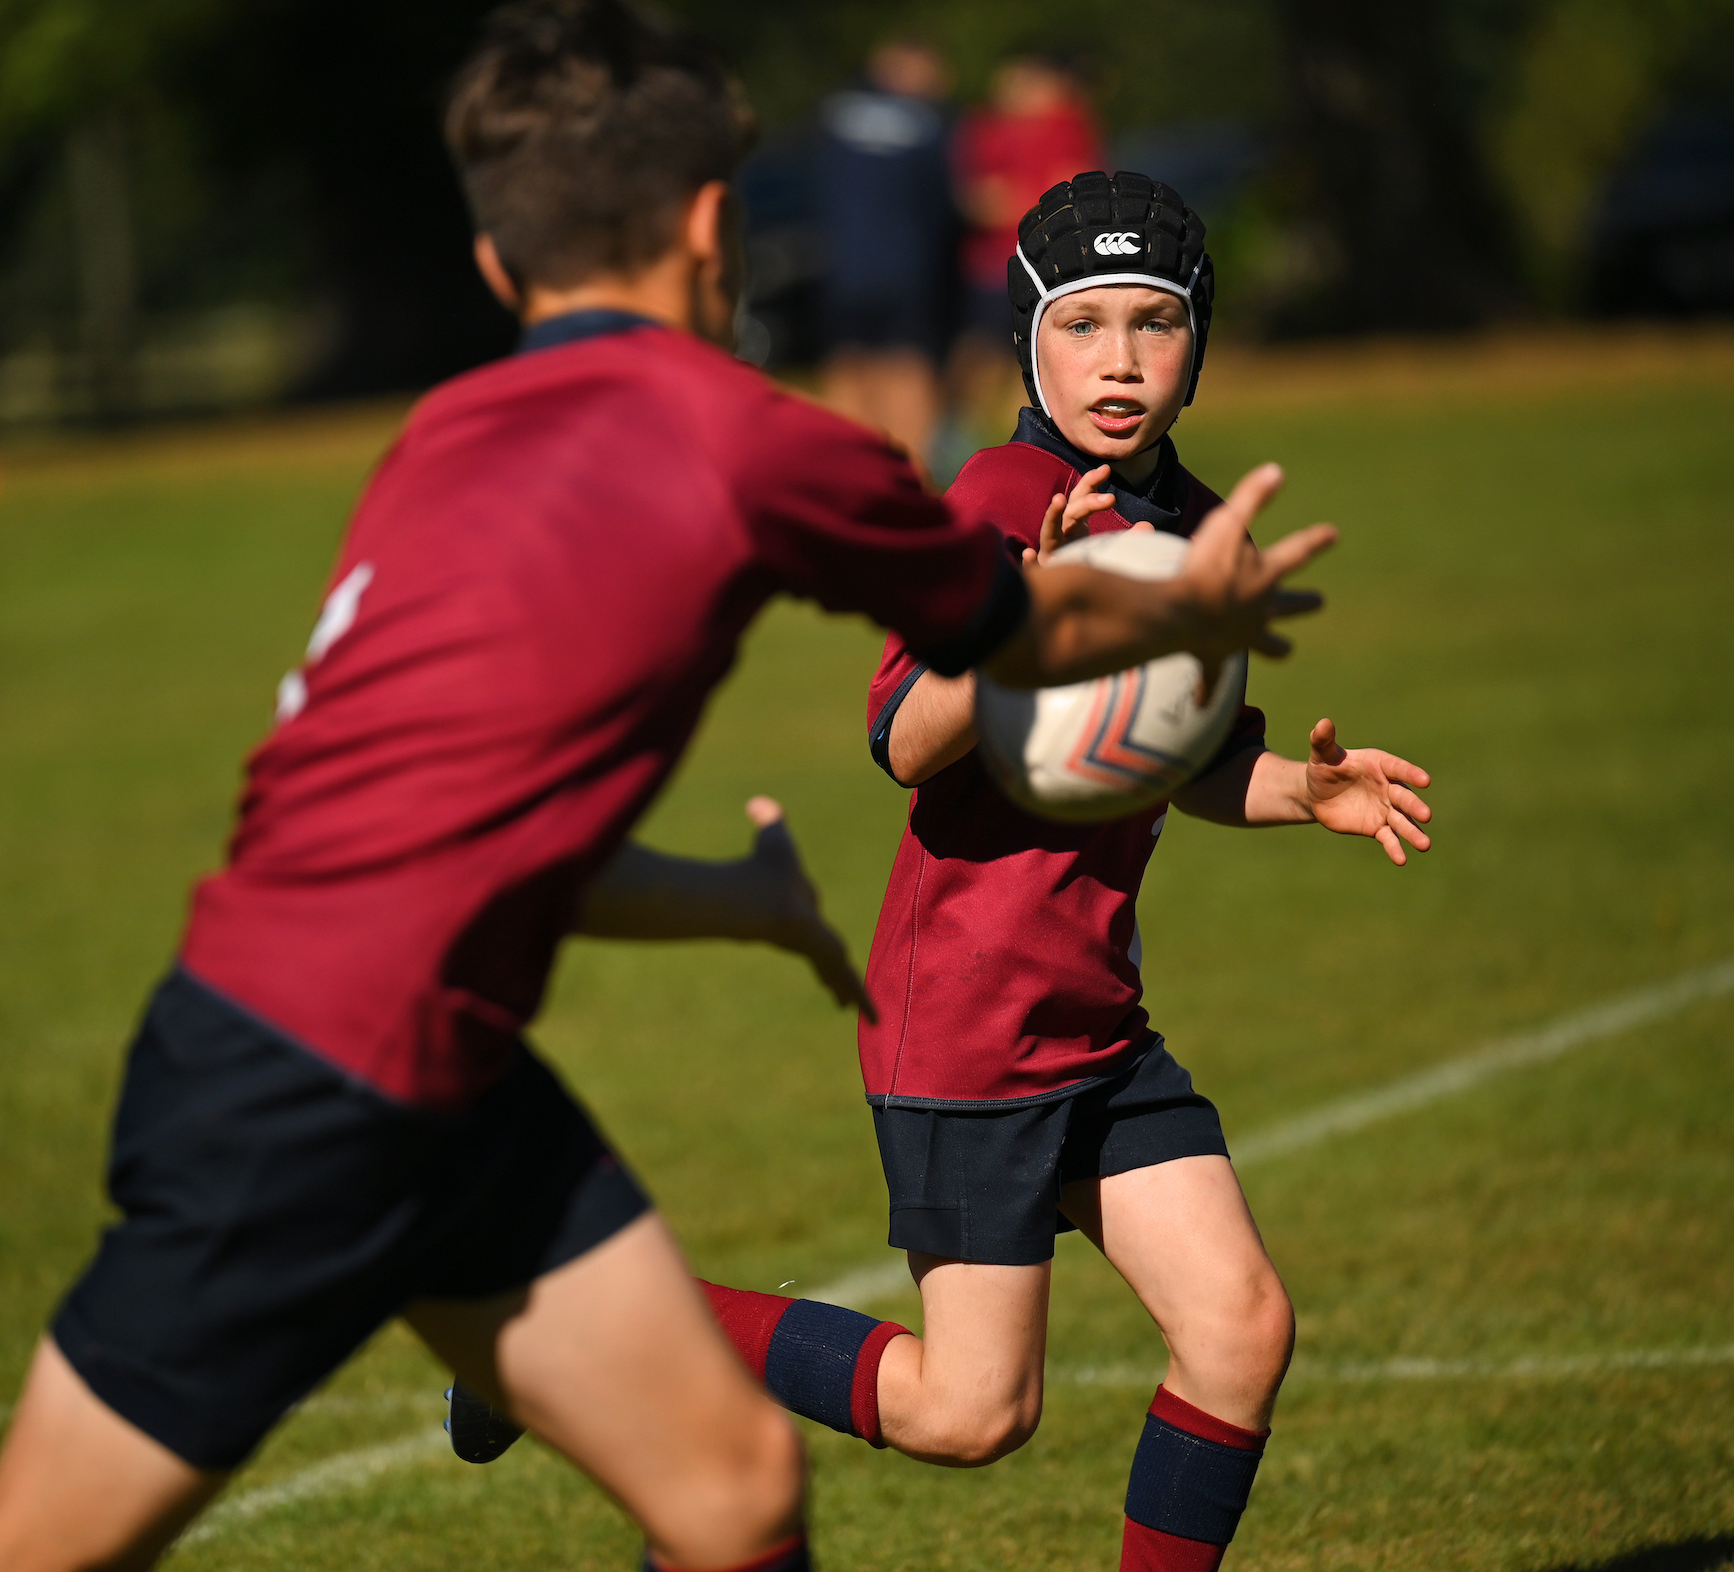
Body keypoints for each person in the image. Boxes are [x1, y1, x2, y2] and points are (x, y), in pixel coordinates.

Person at [0, 16, 1336, 1568]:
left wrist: (721, 899)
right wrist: (1171, 598)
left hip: (399, 1052)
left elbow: (408, 826)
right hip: (302, 1089)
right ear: (708, 230)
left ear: (495, 270)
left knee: (734, 1490)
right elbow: (998, 648)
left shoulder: (436, 436)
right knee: (22, 1552)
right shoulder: (752, 443)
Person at [689, 173, 1436, 1572]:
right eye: (1080, 324)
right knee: (970, 1414)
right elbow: (903, 742)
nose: (1117, 360)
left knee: (1238, 1329)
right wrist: (1015, 627)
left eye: (1152, 325)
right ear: (1023, 339)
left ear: (1197, 343)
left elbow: (1180, 753)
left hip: (1092, 1018)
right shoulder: (996, 495)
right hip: (966, 1022)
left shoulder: (1193, 526)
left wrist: (1299, 791)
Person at [944, 54, 1104, 460]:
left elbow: (1073, 188)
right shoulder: (985, 128)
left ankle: (1040, 440)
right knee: (980, 352)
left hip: (1049, 263)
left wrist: (1019, 201)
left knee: (1042, 352)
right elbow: (977, 195)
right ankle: (953, 436)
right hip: (992, 263)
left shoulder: (1066, 122)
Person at [812, 37, 957, 466]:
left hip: (843, 266)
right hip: (905, 267)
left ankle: (847, 473)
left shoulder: (834, 113)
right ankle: (909, 482)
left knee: (848, 366)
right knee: (907, 370)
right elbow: (944, 203)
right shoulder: (927, 124)